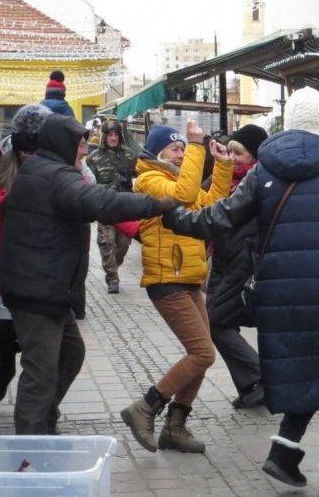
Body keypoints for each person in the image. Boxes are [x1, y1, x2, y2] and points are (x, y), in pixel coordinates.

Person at [163, 87, 319, 497]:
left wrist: (172, 216)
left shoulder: (264, 172)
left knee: (303, 372)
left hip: (281, 297)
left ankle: (283, 453)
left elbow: (220, 217)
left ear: (290, 122)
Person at [0, 113, 177, 435]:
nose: (84, 150)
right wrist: (156, 204)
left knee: (71, 353)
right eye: (80, 144)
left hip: (45, 288)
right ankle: (30, 447)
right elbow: (99, 201)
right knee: (39, 374)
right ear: (61, 143)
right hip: (37, 290)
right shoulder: (55, 176)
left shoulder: (44, 170)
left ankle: (44, 422)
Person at [119, 120, 233, 455]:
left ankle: (175, 426)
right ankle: (145, 407)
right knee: (202, 353)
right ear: (158, 153)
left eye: (184, 149)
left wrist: (223, 165)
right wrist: (198, 147)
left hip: (189, 277)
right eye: (176, 148)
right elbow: (185, 195)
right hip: (166, 279)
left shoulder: (176, 178)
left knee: (202, 355)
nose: (182, 154)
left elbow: (210, 204)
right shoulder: (152, 180)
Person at [0, 104, 50, 405]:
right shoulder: (5, 171)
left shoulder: (58, 170)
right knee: (1, 331)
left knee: (43, 341)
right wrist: (18, 195)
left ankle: (35, 402)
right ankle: (5, 368)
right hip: (8, 266)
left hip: (46, 268)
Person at [208, 124, 269, 409]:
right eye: (230, 150)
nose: (232, 157)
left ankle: (260, 377)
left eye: (239, 153)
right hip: (220, 260)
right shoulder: (219, 177)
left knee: (215, 321)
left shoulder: (260, 183)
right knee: (217, 322)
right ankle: (251, 386)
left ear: (255, 157)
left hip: (243, 263)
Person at [84, 119, 137, 293]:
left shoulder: (130, 155)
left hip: (125, 206)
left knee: (123, 243)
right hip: (105, 206)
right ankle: (112, 278)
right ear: (104, 137)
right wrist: (106, 189)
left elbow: (138, 178)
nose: (113, 138)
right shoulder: (93, 158)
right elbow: (89, 183)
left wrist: (129, 182)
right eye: (110, 135)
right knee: (107, 243)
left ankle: (114, 266)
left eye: (116, 135)